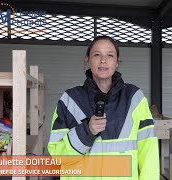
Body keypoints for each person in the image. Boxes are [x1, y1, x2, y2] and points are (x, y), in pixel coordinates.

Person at [48, 36, 160, 180]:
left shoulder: (134, 98)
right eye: (97, 54)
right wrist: (87, 132)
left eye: (110, 55)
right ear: (87, 59)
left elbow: (148, 152)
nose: (103, 60)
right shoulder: (69, 100)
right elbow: (57, 155)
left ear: (117, 61)